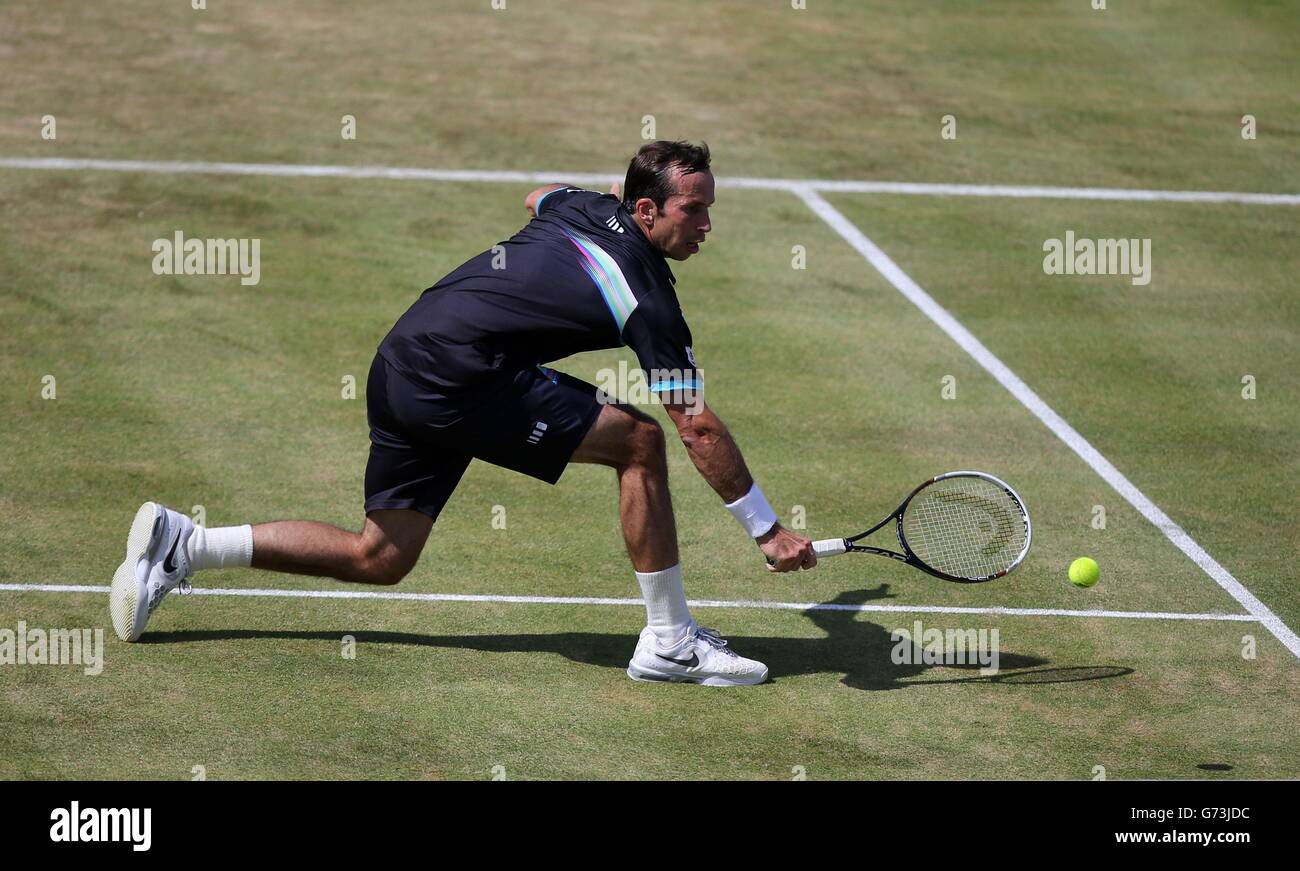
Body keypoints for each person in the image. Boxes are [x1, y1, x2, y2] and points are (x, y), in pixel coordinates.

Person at [111, 140, 817, 686]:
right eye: (693, 209)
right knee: (640, 442)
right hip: (458, 378)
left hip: (402, 356)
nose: (707, 225)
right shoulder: (648, 296)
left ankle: (186, 544)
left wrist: (611, 198)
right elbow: (694, 424)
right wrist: (768, 529)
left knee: (381, 555)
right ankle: (669, 643)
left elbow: (537, 192)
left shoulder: (576, 205)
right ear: (646, 211)